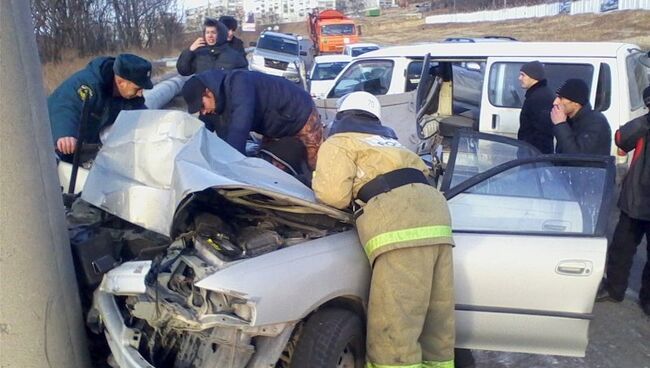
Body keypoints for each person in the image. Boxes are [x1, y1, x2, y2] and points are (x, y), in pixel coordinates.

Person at [312, 91, 455, 368]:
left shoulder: (340, 141)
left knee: (395, 325)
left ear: (341, 115)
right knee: (436, 320)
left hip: (399, 223)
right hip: (437, 215)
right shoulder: (393, 143)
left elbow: (332, 195)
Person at [181, 69, 323, 169]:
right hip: (274, 127)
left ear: (208, 92)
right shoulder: (215, 105)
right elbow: (201, 131)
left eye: (202, 106)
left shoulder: (239, 83)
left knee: (314, 165)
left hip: (300, 113)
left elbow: (239, 127)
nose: (204, 112)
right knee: (270, 169)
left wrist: (234, 166)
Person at [597, 86, 650, 316]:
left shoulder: (643, 124)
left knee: (623, 247)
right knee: (621, 248)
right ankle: (620, 291)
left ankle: (624, 292)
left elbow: (621, 139)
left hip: (635, 199)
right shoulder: (643, 125)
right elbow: (621, 139)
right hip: (635, 199)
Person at [48, 53, 153, 161]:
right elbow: (66, 106)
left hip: (84, 146)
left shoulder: (130, 97)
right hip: (52, 143)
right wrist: (66, 134)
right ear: (121, 82)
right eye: (137, 89)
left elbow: (141, 114)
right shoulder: (88, 85)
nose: (140, 94)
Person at [551, 78, 611, 155]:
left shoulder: (595, 122)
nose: (555, 102)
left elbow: (577, 156)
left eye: (561, 98)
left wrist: (560, 125)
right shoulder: (569, 120)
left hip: (590, 166)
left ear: (576, 103)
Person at [176, 17, 247, 76]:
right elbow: (183, 70)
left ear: (221, 33)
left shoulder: (235, 54)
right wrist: (189, 51)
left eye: (213, 32)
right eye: (207, 32)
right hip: (203, 92)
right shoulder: (200, 52)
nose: (210, 36)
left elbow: (242, 78)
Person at [517, 60, 554, 154]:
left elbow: (541, 132)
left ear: (533, 76)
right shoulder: (537, 94)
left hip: (534, 155)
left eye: (523, 75)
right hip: (532, 153)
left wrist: (528, 153)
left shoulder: (539, 97)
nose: (519, 78)